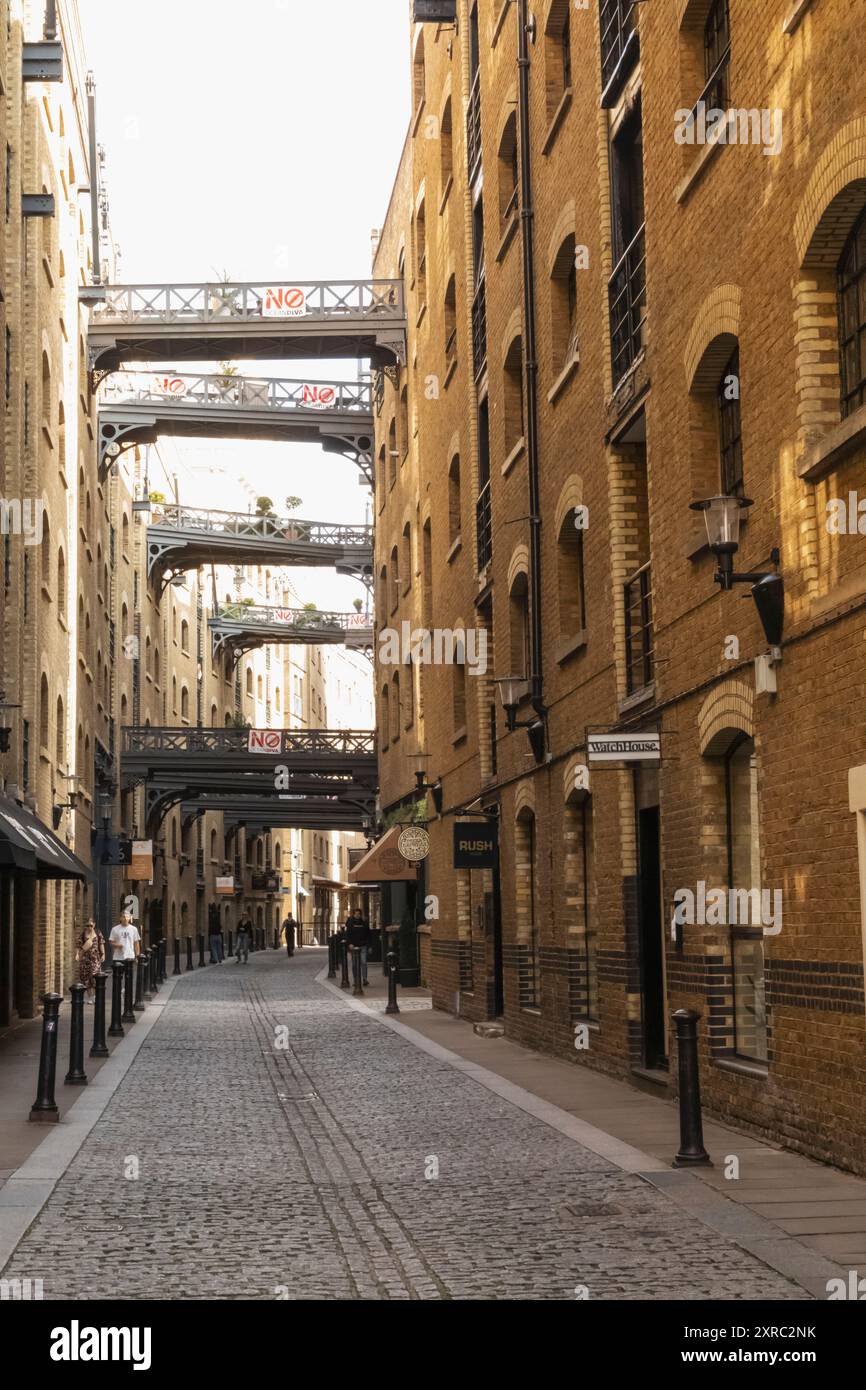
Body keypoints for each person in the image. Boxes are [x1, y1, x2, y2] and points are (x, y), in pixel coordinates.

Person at [75, 920, 105, 1004]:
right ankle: (90, 997)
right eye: (87, 925)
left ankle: (94, 996)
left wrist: (103, 954)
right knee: (87, 978)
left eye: (91, 925)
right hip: (85, 960)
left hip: (95, 959)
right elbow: (78, 946)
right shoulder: (83, 934)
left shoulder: (98, 933)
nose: (89, 927)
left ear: (94, 925)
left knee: (95, 976)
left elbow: (101, 944)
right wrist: (77, 954)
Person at [344, 909, 370, 987]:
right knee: (355, 964)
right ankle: (356, 980)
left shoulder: (364, 923)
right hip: (354, 946)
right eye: (356, 914)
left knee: (363, 962)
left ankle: (364, 979)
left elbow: (368, 934)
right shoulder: (350, 923)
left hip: (363, 945)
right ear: (353, 915)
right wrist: (350, 943)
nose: (357, 915)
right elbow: (348, 934)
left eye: (359, 914)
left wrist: (369, 945)